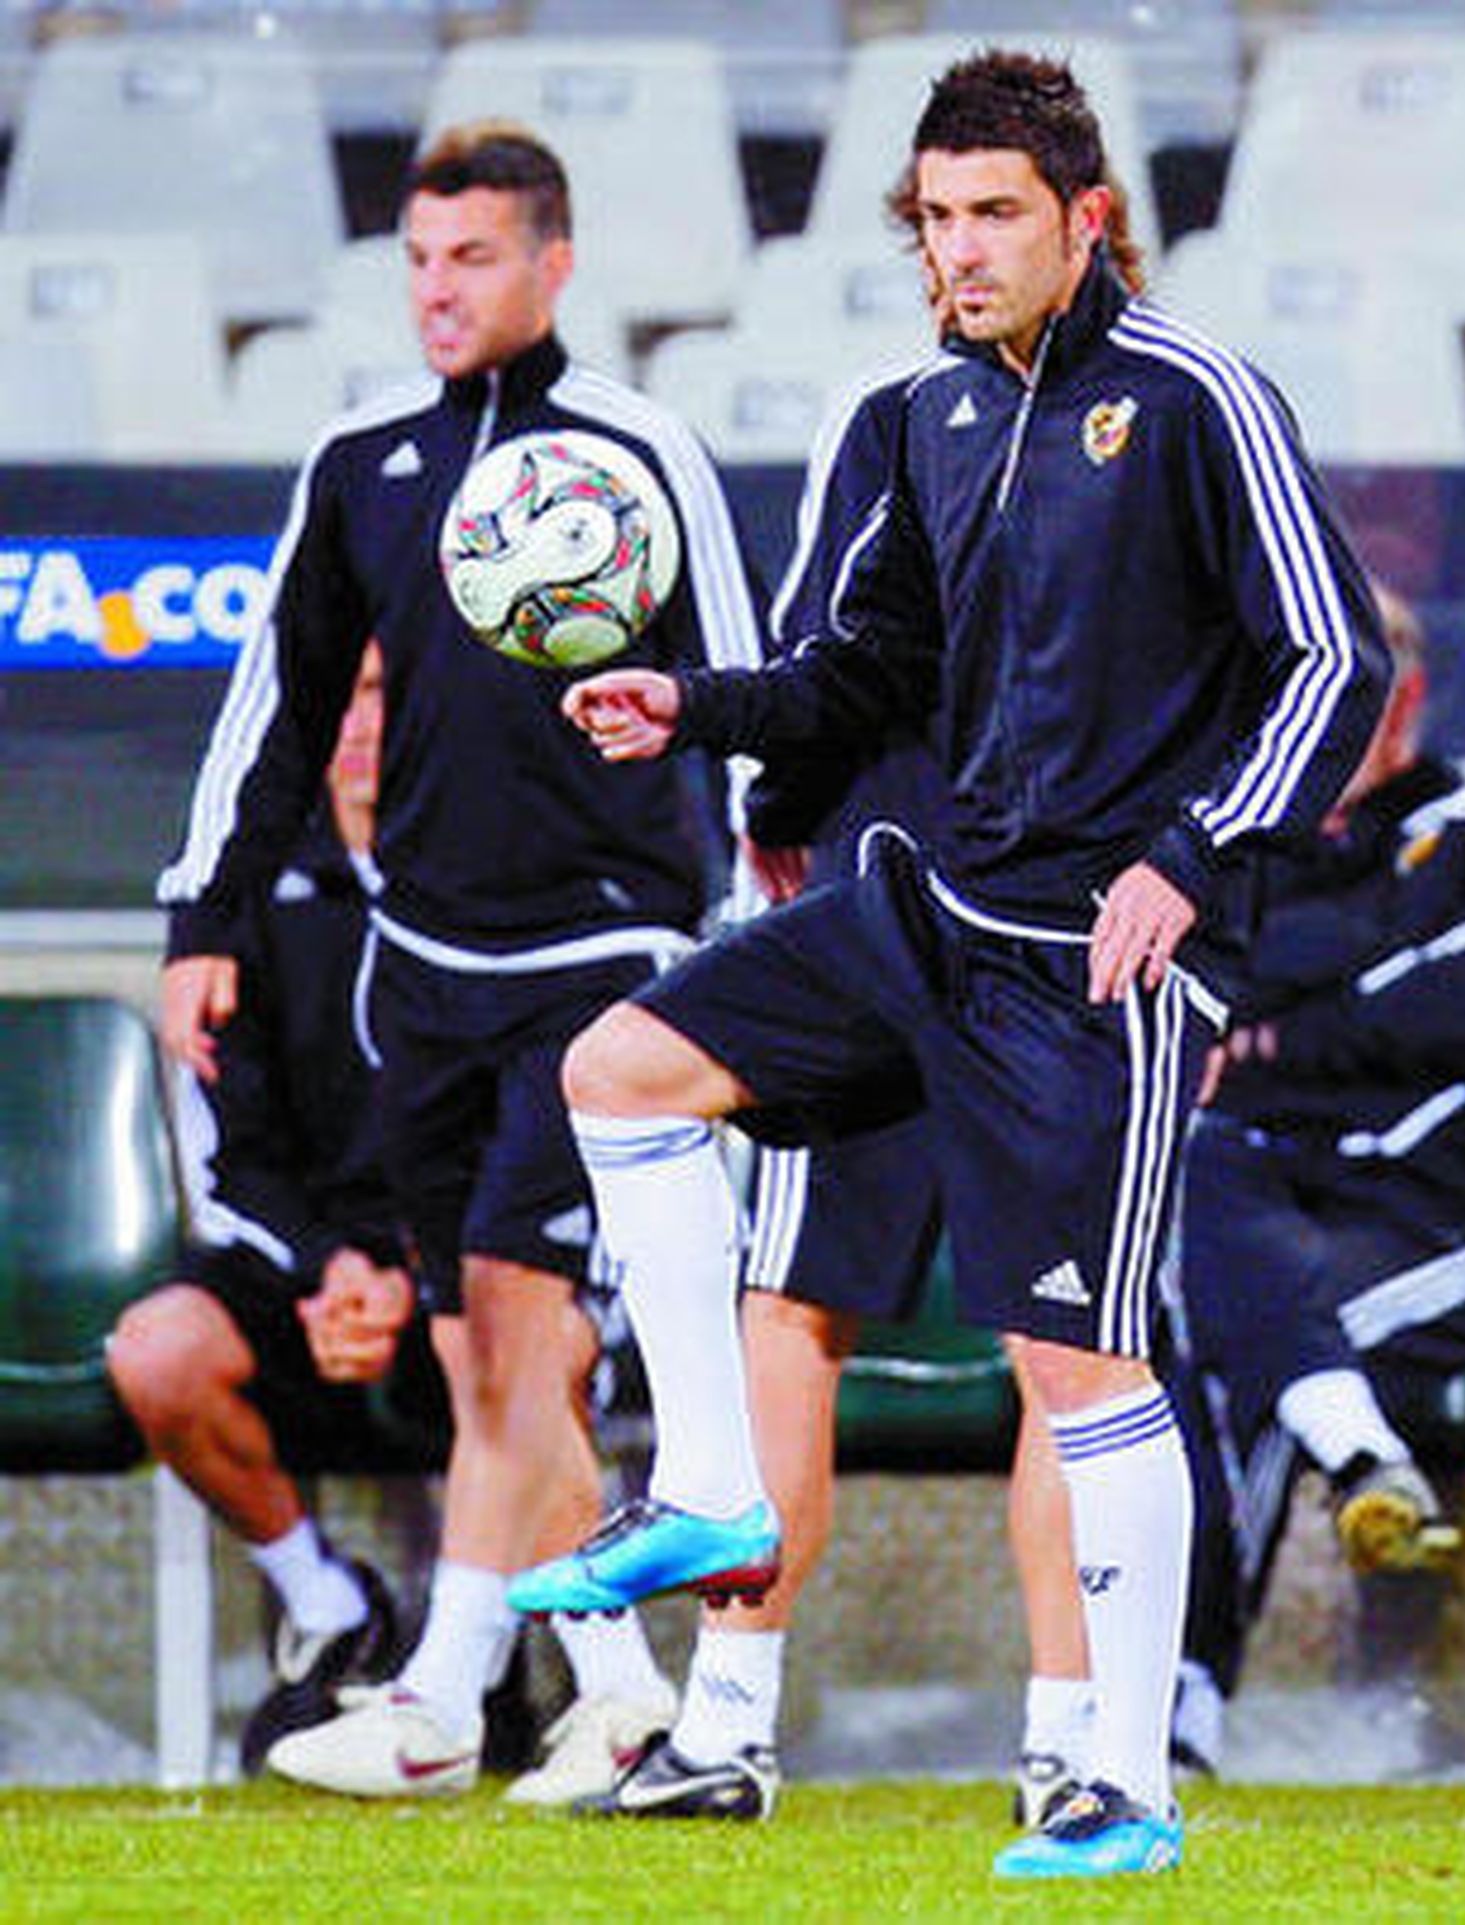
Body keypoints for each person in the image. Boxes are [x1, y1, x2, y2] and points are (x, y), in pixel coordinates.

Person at [511, 49, 1391, 1880]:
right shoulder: (928, 418)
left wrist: (1189, 858)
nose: (961, 250)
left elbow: (1331, 664)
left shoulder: (1200, 398)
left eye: (996, 215)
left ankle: (1119, 1786)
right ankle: (706, 1484)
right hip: (935, 898)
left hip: (1096, 950)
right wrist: (694, 703)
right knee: (622, 1069)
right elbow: (860, 675)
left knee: (1079, 1362)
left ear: (1086, 220)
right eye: (935, 218)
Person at [155, 119, 764, 1801]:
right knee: (470, 1348)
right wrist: (206, 922)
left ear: (554, 264)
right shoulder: (360, 462)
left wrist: (787, 907)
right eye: (421, 259)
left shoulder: (642, 448)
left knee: (521, 1323)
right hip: (418, 964)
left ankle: (439, 1692)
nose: (441, 289)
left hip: (607, 964)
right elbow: (274, 708)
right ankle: (621, 1689)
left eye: (475, 256)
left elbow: (749, 687)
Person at [579, 342, 1097, 1828]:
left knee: (797, 1317)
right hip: (1063, 944)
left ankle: (731, 1726)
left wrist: (779, 809)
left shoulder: (892, 414)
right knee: (1064, 1350)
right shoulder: (1182, 421)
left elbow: (830, 653)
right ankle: (1071, 1745)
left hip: (894, 918)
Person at [1163, 584, 1465, 1776]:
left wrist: (1281, 1031)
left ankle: (1185, 1696)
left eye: (1355, 687)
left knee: (1265, 1334)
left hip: (1432, 1229)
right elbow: (1186, 1005)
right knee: (1200, 1264)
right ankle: (1343, 1456)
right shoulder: (1228, 857)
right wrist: (1368, 979)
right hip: (1249, 1195)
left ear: (1402, 697)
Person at [110, 644, 431, 1775]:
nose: (354, 724)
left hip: (462, 1265)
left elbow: (530, 1130)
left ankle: (523, 1665)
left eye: (381, 695)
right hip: (301, 1265)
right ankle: (332, 1604)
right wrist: (332, 1268)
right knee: (157, 1352)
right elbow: (228, 1148)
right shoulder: (237, 889)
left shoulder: (498, 875)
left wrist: (407, 1271)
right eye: (332, 698)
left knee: (533, 1336)